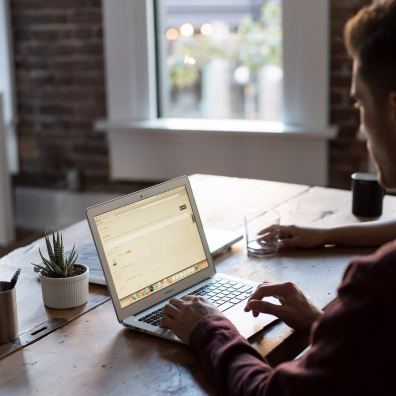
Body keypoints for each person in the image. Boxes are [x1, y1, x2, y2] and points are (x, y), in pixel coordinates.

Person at [160, 1, 396, 395]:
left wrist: (209, 328)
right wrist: (325, 324)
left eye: (359, 103)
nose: (360, 129)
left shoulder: (378, 284)